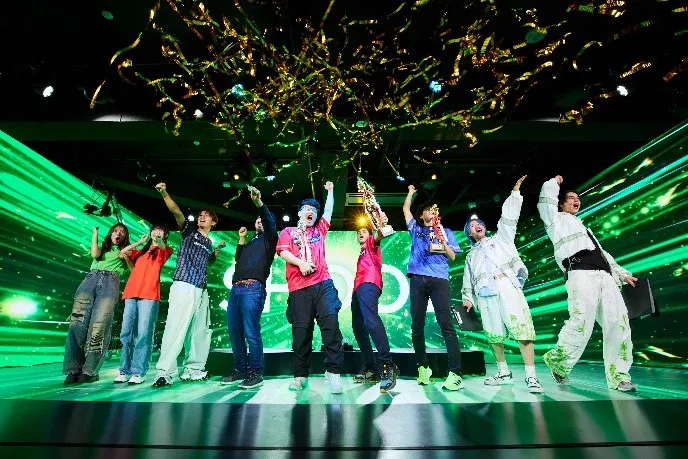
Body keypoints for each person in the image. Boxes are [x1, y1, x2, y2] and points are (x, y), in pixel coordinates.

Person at [537, 175, 637, 392]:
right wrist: (553, 183)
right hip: (579, 273)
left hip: (605, 276)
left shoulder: (585, 228)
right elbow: (545, 201)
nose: (576, 200)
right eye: (571, 198)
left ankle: (619, 376)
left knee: (618, 323)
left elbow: (602, 254)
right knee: (582, 321)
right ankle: (559, 362)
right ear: (561, 203)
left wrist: (622, 274)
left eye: (578, 198)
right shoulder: (555, 220)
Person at [461, 176, 543, 393]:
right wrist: (468, 299)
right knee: (494, 334)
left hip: (507, 287)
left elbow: (509, 218)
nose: (477, 226)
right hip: (485, 295)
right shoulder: (471, 256)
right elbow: (468, 280)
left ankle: (531, 377)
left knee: (522, 330)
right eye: (472, 226)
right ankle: (503, 372)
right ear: (469, 234)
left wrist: (515, 192)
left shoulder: (501, 239)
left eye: (479, 223)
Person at [152, 183, 226, 387]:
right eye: (200, 214)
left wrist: (216, 251)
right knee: (176, 327)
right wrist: (164, 192)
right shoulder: (189, 231)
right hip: (184, 284)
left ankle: (194, 369)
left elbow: (208, 262)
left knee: (199, 331)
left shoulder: (208, 243)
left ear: (213, 222)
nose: (202, 216)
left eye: (207, 215)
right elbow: (176, 211)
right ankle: (164, 372)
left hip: (201, 289)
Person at [276, 181, 344, 394]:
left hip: (323, 284)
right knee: (301, 333)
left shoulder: (319, 231)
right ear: (300, 213)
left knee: (331, 327)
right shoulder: (288, 231)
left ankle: (333, 373)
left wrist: (330, 191)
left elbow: (329, 210)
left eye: (314, 210)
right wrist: (301, 264)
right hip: (298, 289)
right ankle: (300, 376)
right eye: (307, 209)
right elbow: (283, 252)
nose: (311, 212)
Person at [402, 185, 464, 390]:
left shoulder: (446, 232)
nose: (430, 212)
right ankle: (423, 367)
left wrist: (441, 237)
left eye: (433, 210)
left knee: (446, 324)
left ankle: (455, 372)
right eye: (427, 210)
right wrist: (410, 193)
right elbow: (405, 210)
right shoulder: (416, 230)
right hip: (417, 279)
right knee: (416, 325)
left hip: (439, 280)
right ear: (422, 215)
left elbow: (452, 256)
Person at [220, 186, 278, 389]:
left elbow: (269, 220)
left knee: (251, 331)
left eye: (262, 220)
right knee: (234, 331)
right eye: (257, 220)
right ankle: (240, 370)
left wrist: (259, 203)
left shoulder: (270, 238)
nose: (260, 221)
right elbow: (239, 259)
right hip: (236, 289)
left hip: (253, 288)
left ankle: (255, 373)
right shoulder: (252, 239)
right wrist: (242, 239)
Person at [63, 223, 130, 384]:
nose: (118, 233)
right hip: (90, 280)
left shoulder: (127, 251)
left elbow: (133, 270)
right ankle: (73, 369)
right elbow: (94, 254)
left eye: (122, 232)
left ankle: (90, 370)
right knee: (77, 324)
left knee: (99, 327)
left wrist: (127, 257)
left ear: (125, 237)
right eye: (115, 231)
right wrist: (95, 234)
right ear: (111, 233)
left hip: (110, 283)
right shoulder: (103, 248)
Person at [114, 225, 173, 385]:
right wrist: (140, 242)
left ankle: (139, 372)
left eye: (161, 230)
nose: (157, 232)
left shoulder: (164, 250)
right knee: (126, 333)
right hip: (131, 293)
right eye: (155, 229)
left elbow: (162, 246)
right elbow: (123, 251)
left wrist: (159, 240)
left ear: (165, 235)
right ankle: (124, 370)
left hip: (149, 295)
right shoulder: (140, 252)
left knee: (143, 334)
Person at [351, 215, 399, 393]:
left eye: (364, 231)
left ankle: (387, 365)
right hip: (358, 288)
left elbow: (382, 233)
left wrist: (382, 223)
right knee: (358, 328)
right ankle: (371, 368)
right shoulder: (362, 251)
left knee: (371, 322)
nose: (360, 233)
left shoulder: (372, 243)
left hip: (369, 284)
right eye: (358, 232)